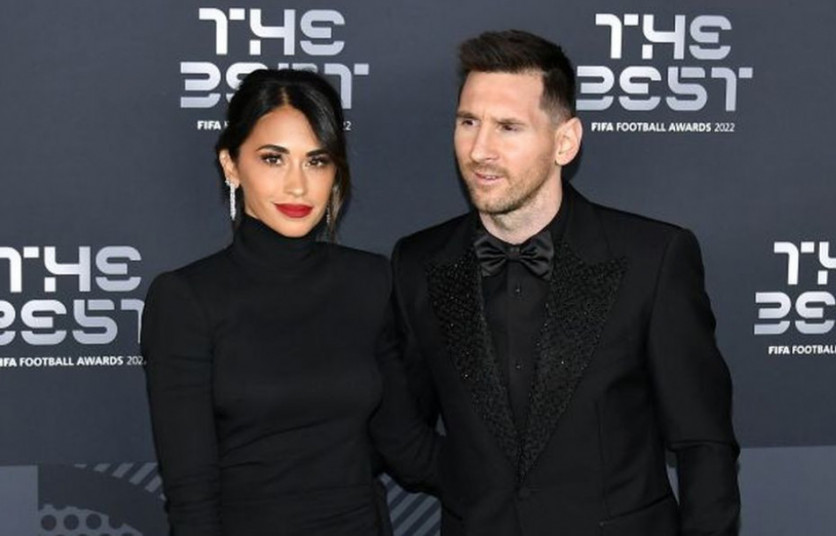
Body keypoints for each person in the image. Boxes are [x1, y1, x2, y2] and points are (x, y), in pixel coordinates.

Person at [390, 30, 740, 535]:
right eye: (468, 122)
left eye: (508, 127)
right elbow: (402, 424)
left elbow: (704, 443)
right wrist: (471, 485)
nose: (480, 149)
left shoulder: (653, 259)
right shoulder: (419, 262)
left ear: (565, 141)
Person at [142, 69, 437, 536]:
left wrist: (531, 479)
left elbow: (408, 448)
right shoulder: (186, 299)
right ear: (231, 165)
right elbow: (191, 498)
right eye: (273, 159)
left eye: (316, 161)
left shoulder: (369, 281)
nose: (298, 185)